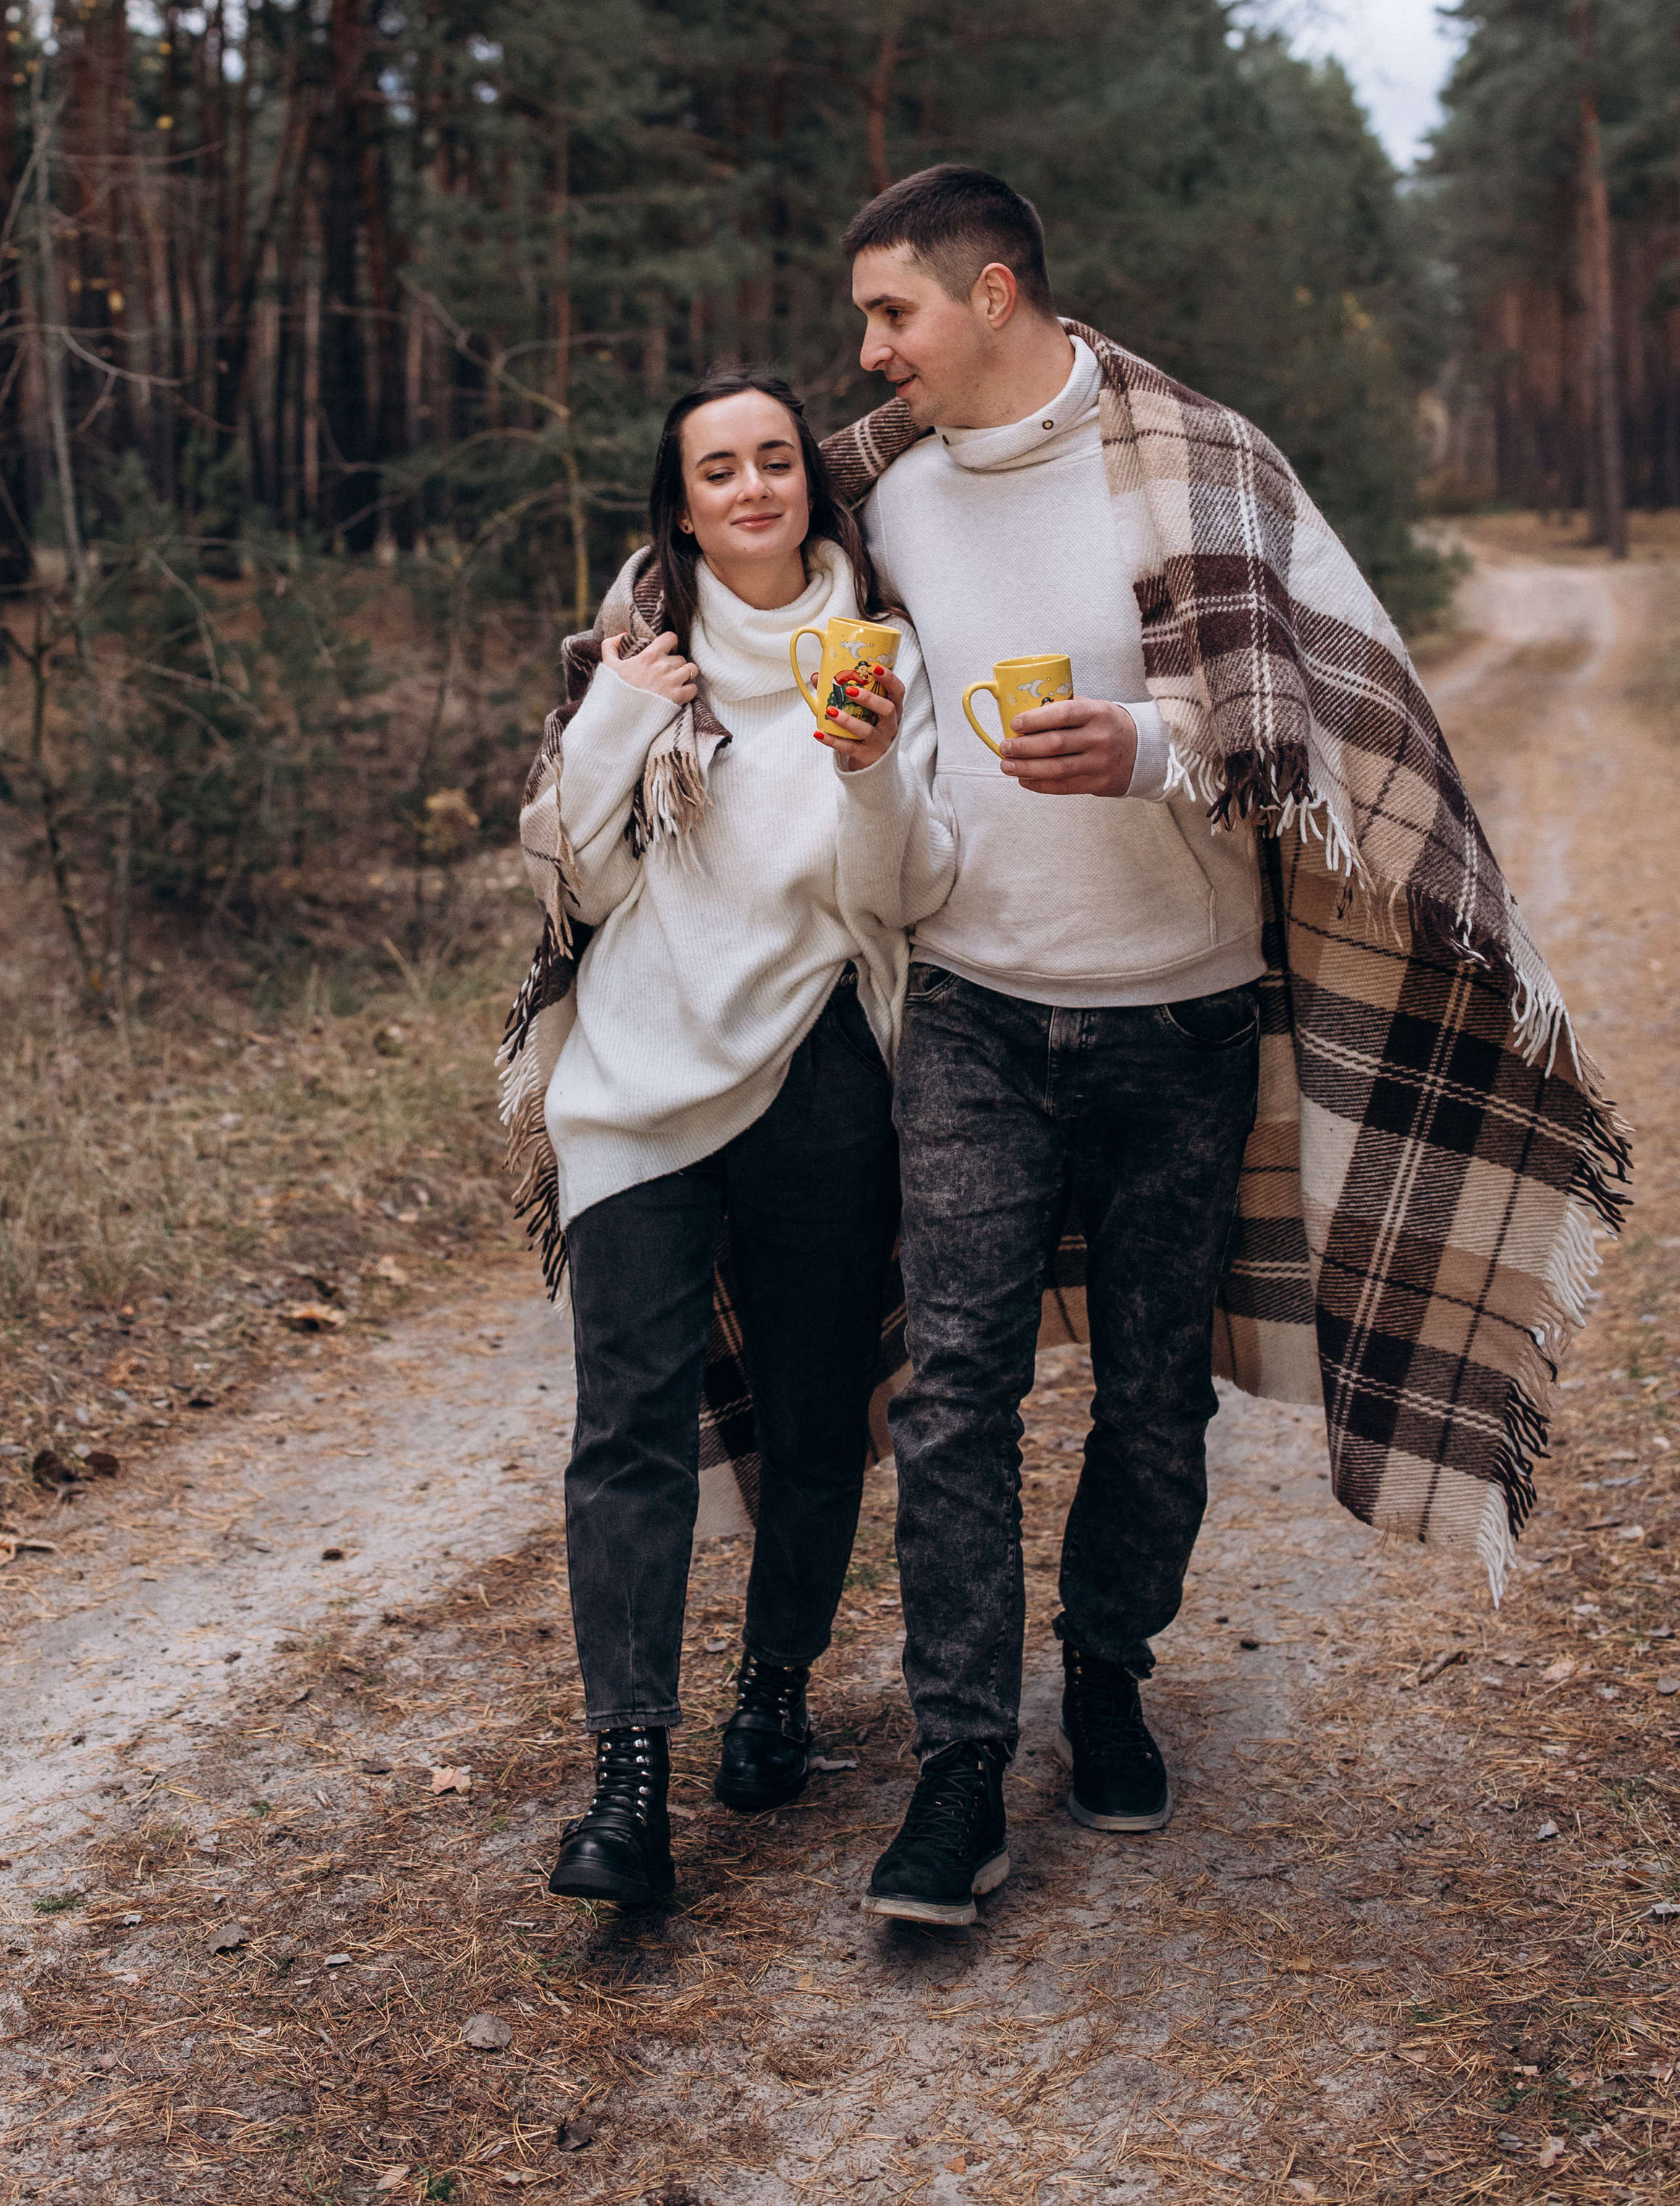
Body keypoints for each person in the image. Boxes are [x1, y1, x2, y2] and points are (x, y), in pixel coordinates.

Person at [822, 163, 1621, 1930]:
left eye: (891, 311)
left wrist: (1151, 753)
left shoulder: (1195, 465)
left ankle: (1105, 1669)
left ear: (996, 293)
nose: (865, 350)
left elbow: (1329, 721)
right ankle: (960, 1760)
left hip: (1177, 1012)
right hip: (968, 1004)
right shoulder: (873, 497)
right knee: (955, 1388)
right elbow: (736, 605)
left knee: (1152, 1391)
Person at [511, 369, 950, 1908]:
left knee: (817, 1409)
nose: (752, 487)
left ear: (809, 489)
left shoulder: (883, 655)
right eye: (720, 468)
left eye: (775, 460)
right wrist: (616, 723)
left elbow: (893, 900)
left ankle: (770, 1686)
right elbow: (575, 882)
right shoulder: (636, 655)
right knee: (620, 1428)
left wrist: (867, 763)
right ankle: (626, 1782)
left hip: (823, 1070)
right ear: (681, 501)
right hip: (635, 1079)